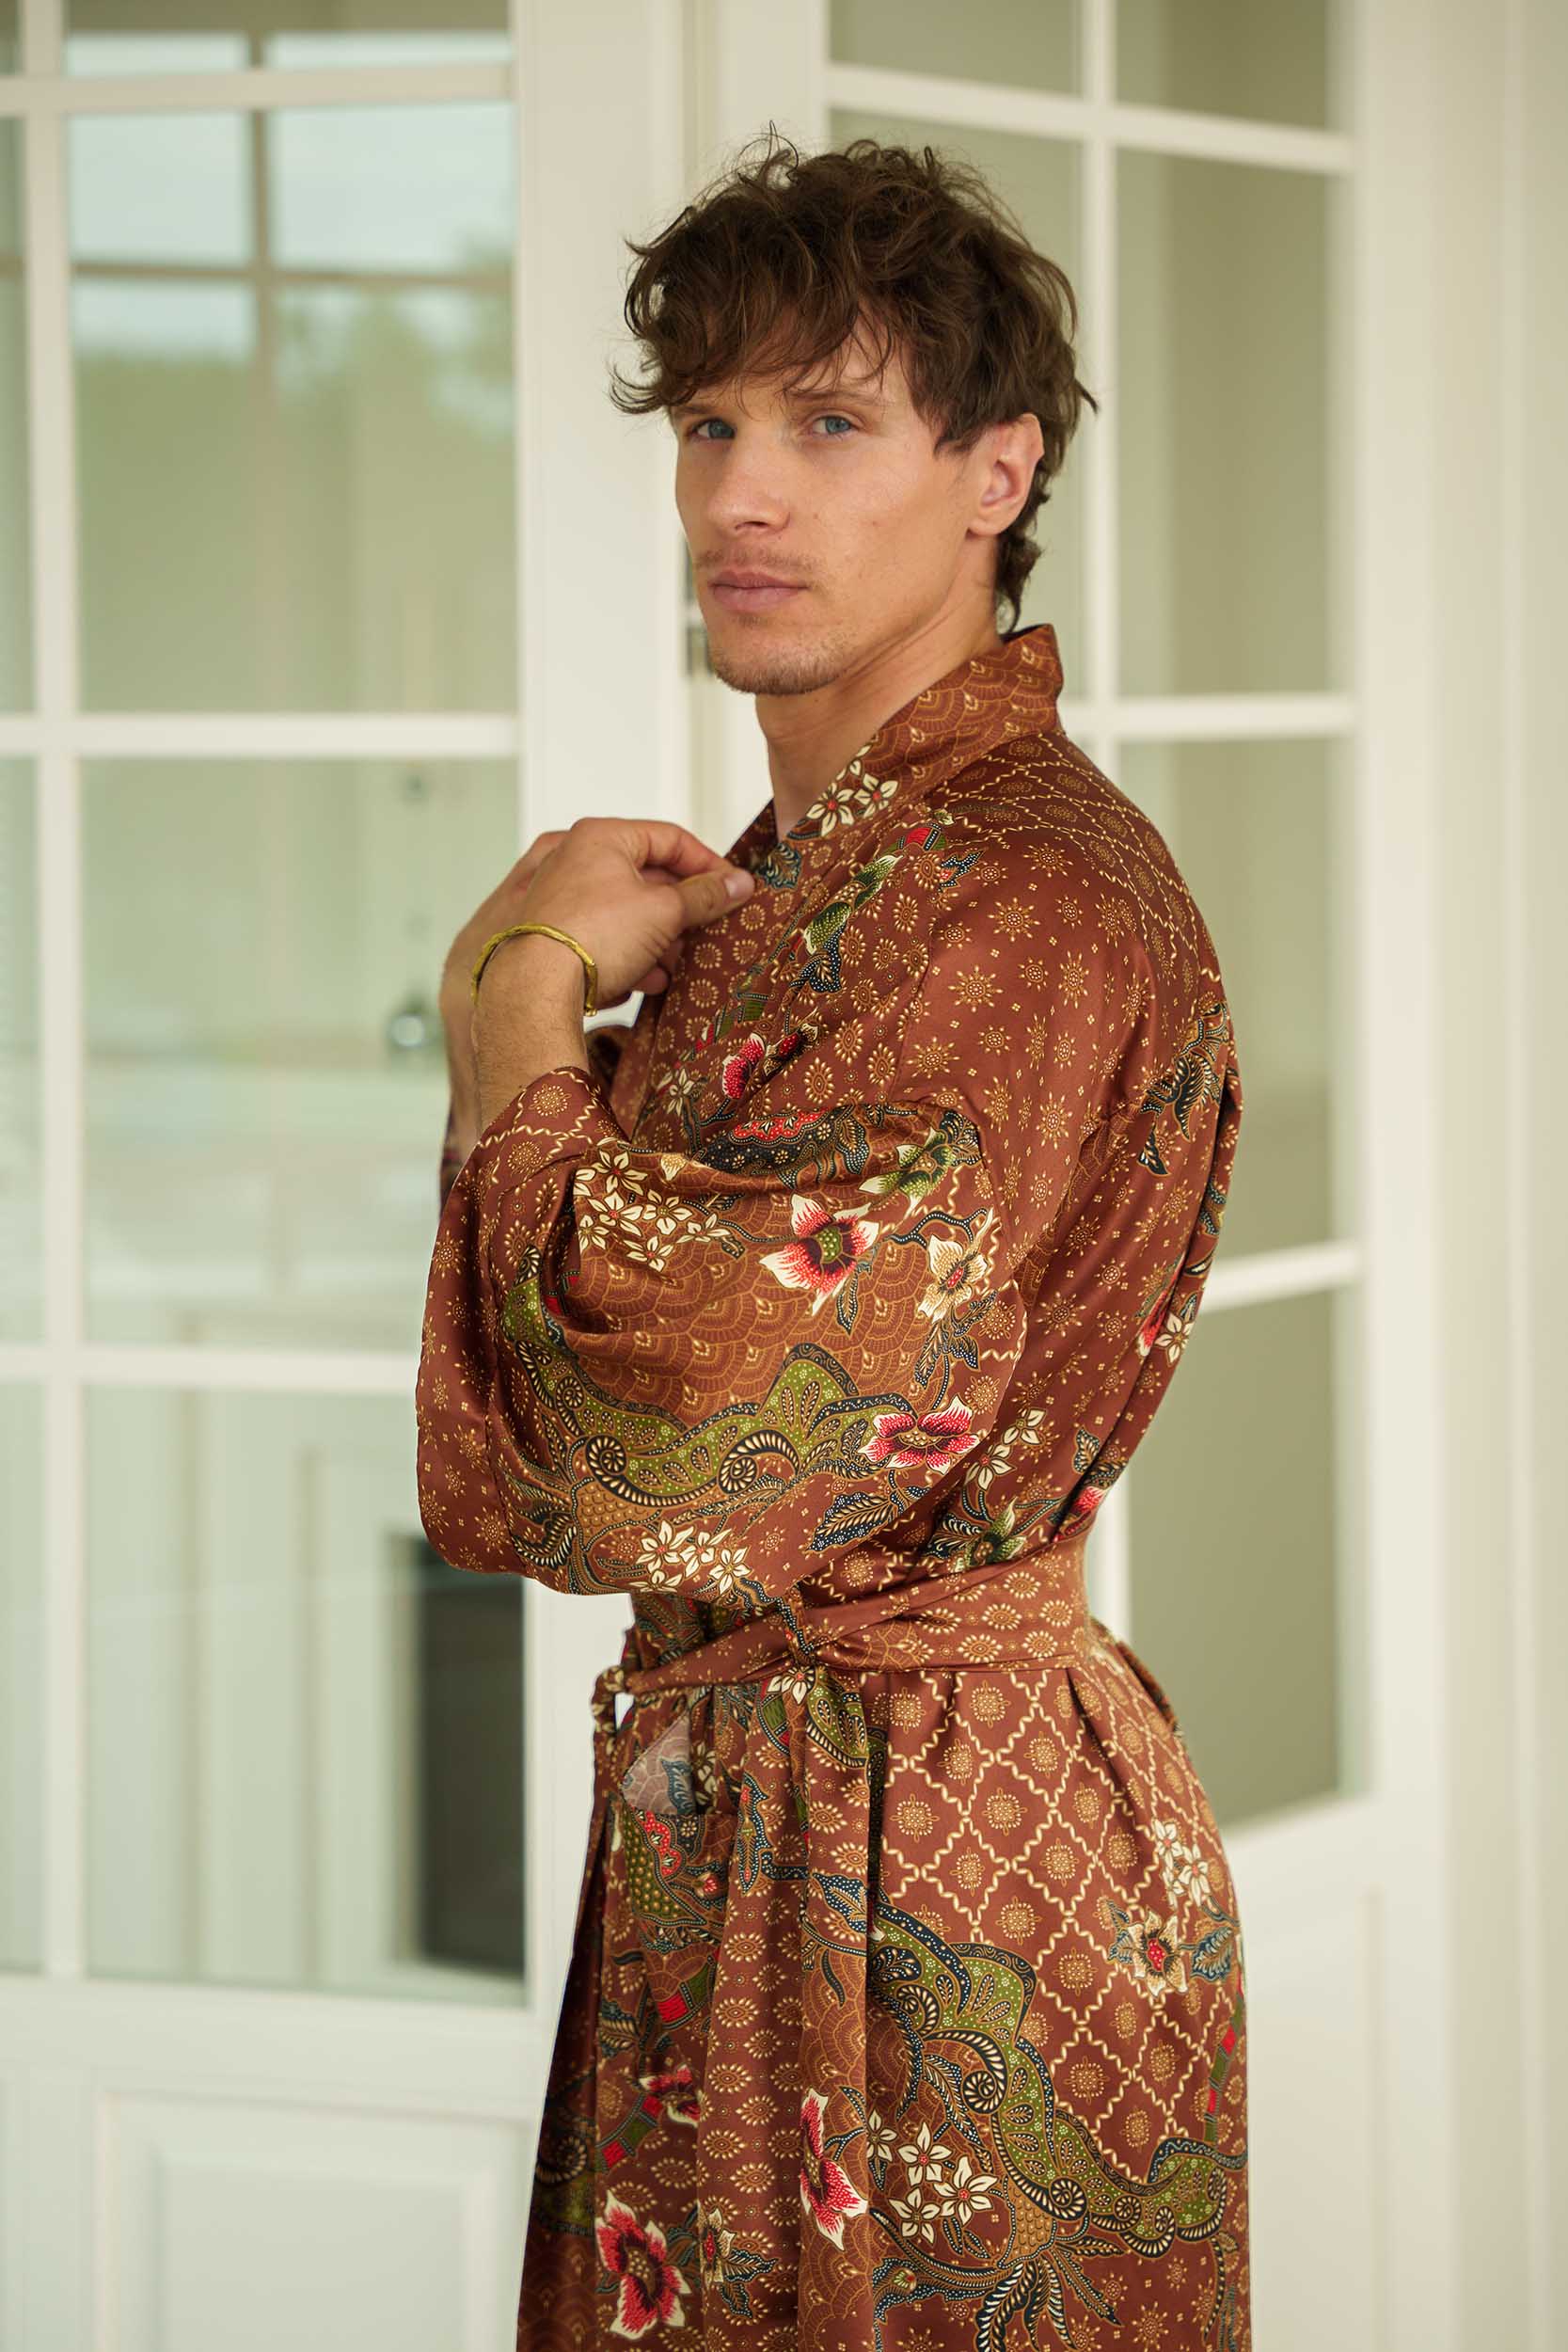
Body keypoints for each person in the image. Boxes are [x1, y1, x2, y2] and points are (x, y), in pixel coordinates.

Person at [418, 131, 1249, 2352]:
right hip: (783, 1815)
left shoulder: (1014, 900)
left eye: (829, 422)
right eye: (710, 423)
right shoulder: (829, 872)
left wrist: (505, 995)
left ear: (999, 469)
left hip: (930, 1863)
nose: (738, 497)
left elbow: (679, 1427)